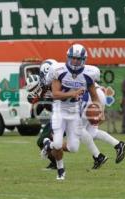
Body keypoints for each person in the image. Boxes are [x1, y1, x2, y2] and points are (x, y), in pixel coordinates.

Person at [41, 44, 105, 180]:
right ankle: (60, 170)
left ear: (83, 60)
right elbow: (55, 94)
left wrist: (100, 111)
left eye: (78, 59)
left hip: (75, 112)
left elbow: (95, 97)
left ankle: (48, 144)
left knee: (74, 148)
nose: (75, 61)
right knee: (58, 144)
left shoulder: (89, 74)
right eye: (73, 58)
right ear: (68, 57)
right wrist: (73, 93)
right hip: (60, 110)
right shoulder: (59, 71)